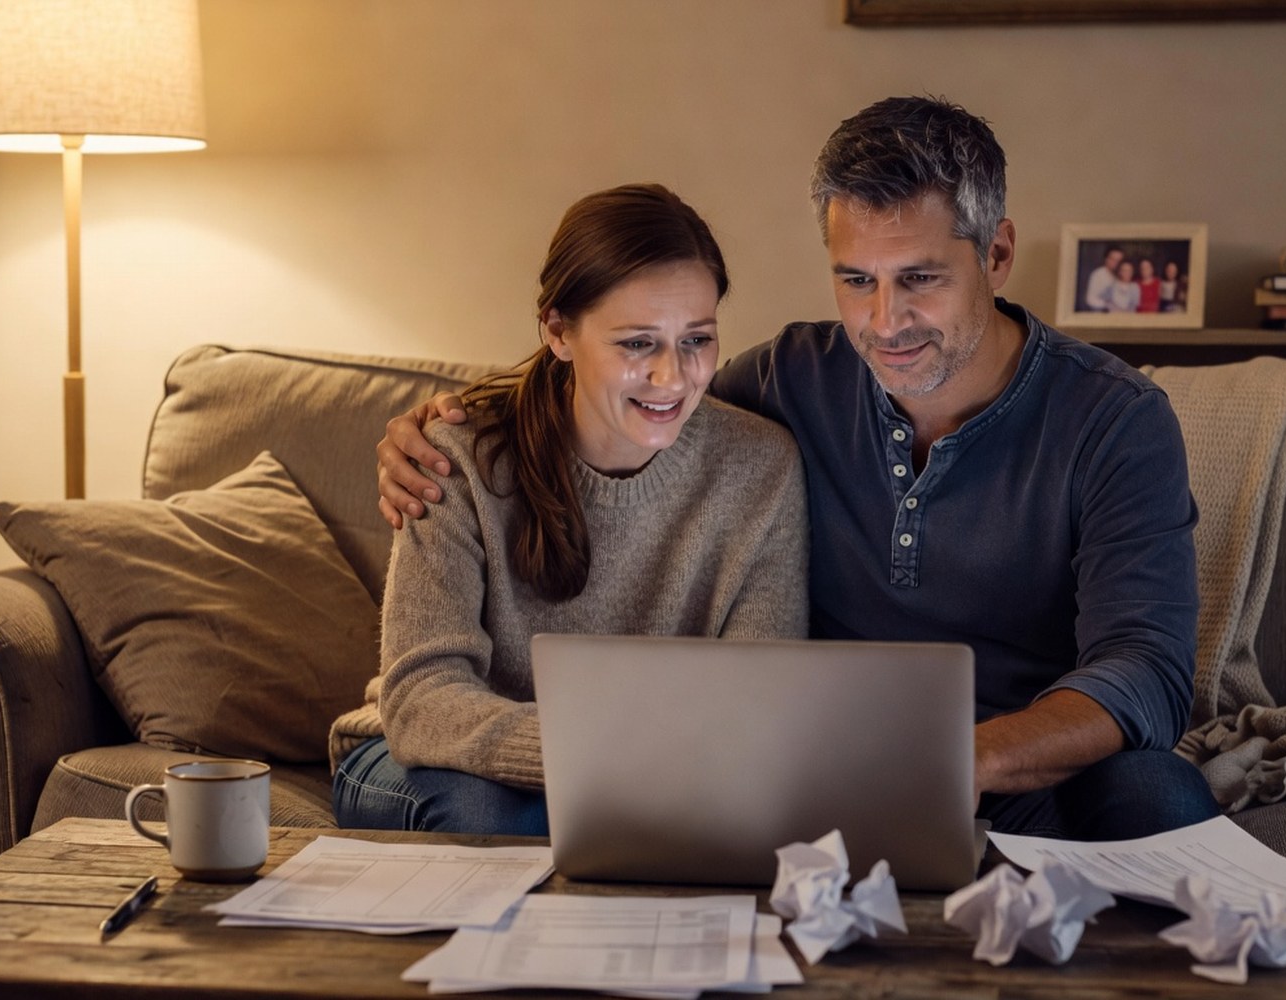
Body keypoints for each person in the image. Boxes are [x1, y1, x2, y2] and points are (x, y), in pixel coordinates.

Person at [377, 97, 1220, 842]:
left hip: (1018, 771)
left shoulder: (1115, 420)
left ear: (996, 256)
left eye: (919, 278)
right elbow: (633, 393)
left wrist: (965, 759)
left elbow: (1144, 670)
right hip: (819, 775)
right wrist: (440, 423)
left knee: (1159, 795)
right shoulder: (792, 379)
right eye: (856, 280)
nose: (885, 322)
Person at [331, 183, 810, 836]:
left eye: (697, 340)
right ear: (558, 331)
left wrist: (629, 763)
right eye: (638, 344)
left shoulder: (761, 466)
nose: (674, 377)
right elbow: (420, 703)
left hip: (644, 772)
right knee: (497, 814)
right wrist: (603, 752)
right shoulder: (458, 457)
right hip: (432, 764)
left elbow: (758, 704)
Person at [1082, 246, 1123, 312]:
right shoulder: (1098, 274)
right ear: (1106, 259)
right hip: (1100, 313)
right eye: (1113, 259)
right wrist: (1108, 305)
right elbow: (1090, 299)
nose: (1116, 263)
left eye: (1119, 261)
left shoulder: (1118, 276)